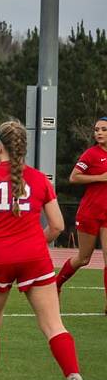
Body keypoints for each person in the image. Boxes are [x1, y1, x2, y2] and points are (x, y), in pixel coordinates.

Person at [0, 119, 91, 380]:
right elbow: (58, 225)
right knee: (54, 325)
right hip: (35, 256)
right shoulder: (39, 179)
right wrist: (34, 242)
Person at [54, 117, 107, 313]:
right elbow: (73, 177)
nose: (99, 133)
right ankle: (56, 284)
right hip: (90, 213)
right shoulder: (91, 154)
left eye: (103, 129)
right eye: (97, 129)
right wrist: (100, 178)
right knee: (84, 259)